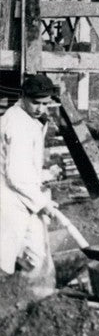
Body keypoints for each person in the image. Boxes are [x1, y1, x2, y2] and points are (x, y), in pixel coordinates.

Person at [0, 74, 58, 302]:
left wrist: (44, 174)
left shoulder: (25, 120)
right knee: (8, 255)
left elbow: (19, 167)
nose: (40, 108)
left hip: (22, 196)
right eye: (36, 102)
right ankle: (22, 306)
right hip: (10, 200)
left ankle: (34, 305)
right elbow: (16, 175)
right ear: (23, 96)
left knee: (35, 255)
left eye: (45, 103)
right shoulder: (17, 123)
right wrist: (43, 203)